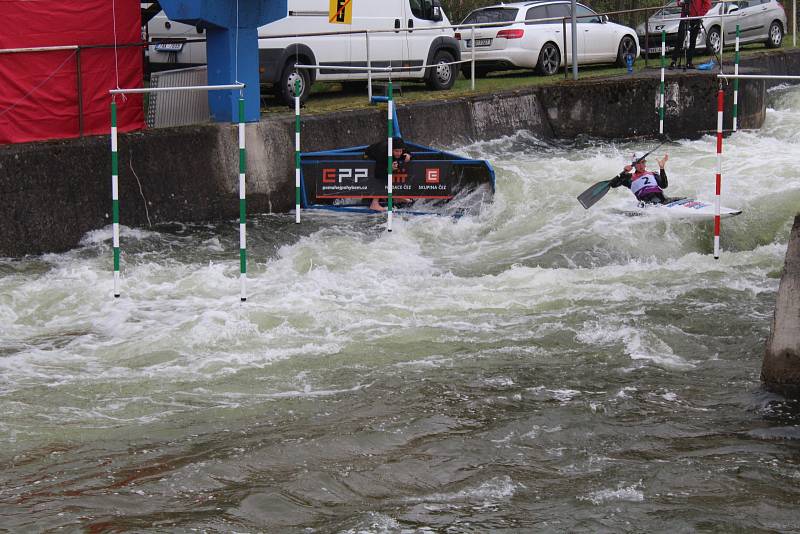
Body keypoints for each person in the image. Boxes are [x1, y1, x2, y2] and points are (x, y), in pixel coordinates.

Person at [364, 137, 412, 211]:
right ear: (391, 150)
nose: (399, 153)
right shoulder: (383, 153)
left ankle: (396, 197)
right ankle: (374, 203)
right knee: (383, 176)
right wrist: (389, 169)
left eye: (400, 151)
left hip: (387, 156)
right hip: (369, 156)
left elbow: (410, 154)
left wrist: (409, 155)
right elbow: (378, 173)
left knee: (397, 167)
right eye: (396, 151)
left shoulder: (402, 147)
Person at [669, 0, 712, 70]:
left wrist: (700, 14)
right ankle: (674, 60)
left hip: (695, 16)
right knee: (680, 38)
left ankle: (689, 61)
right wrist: (680, 2)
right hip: (684, 15)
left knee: (693, 39)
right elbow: (679, 1)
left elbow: (707, 4)